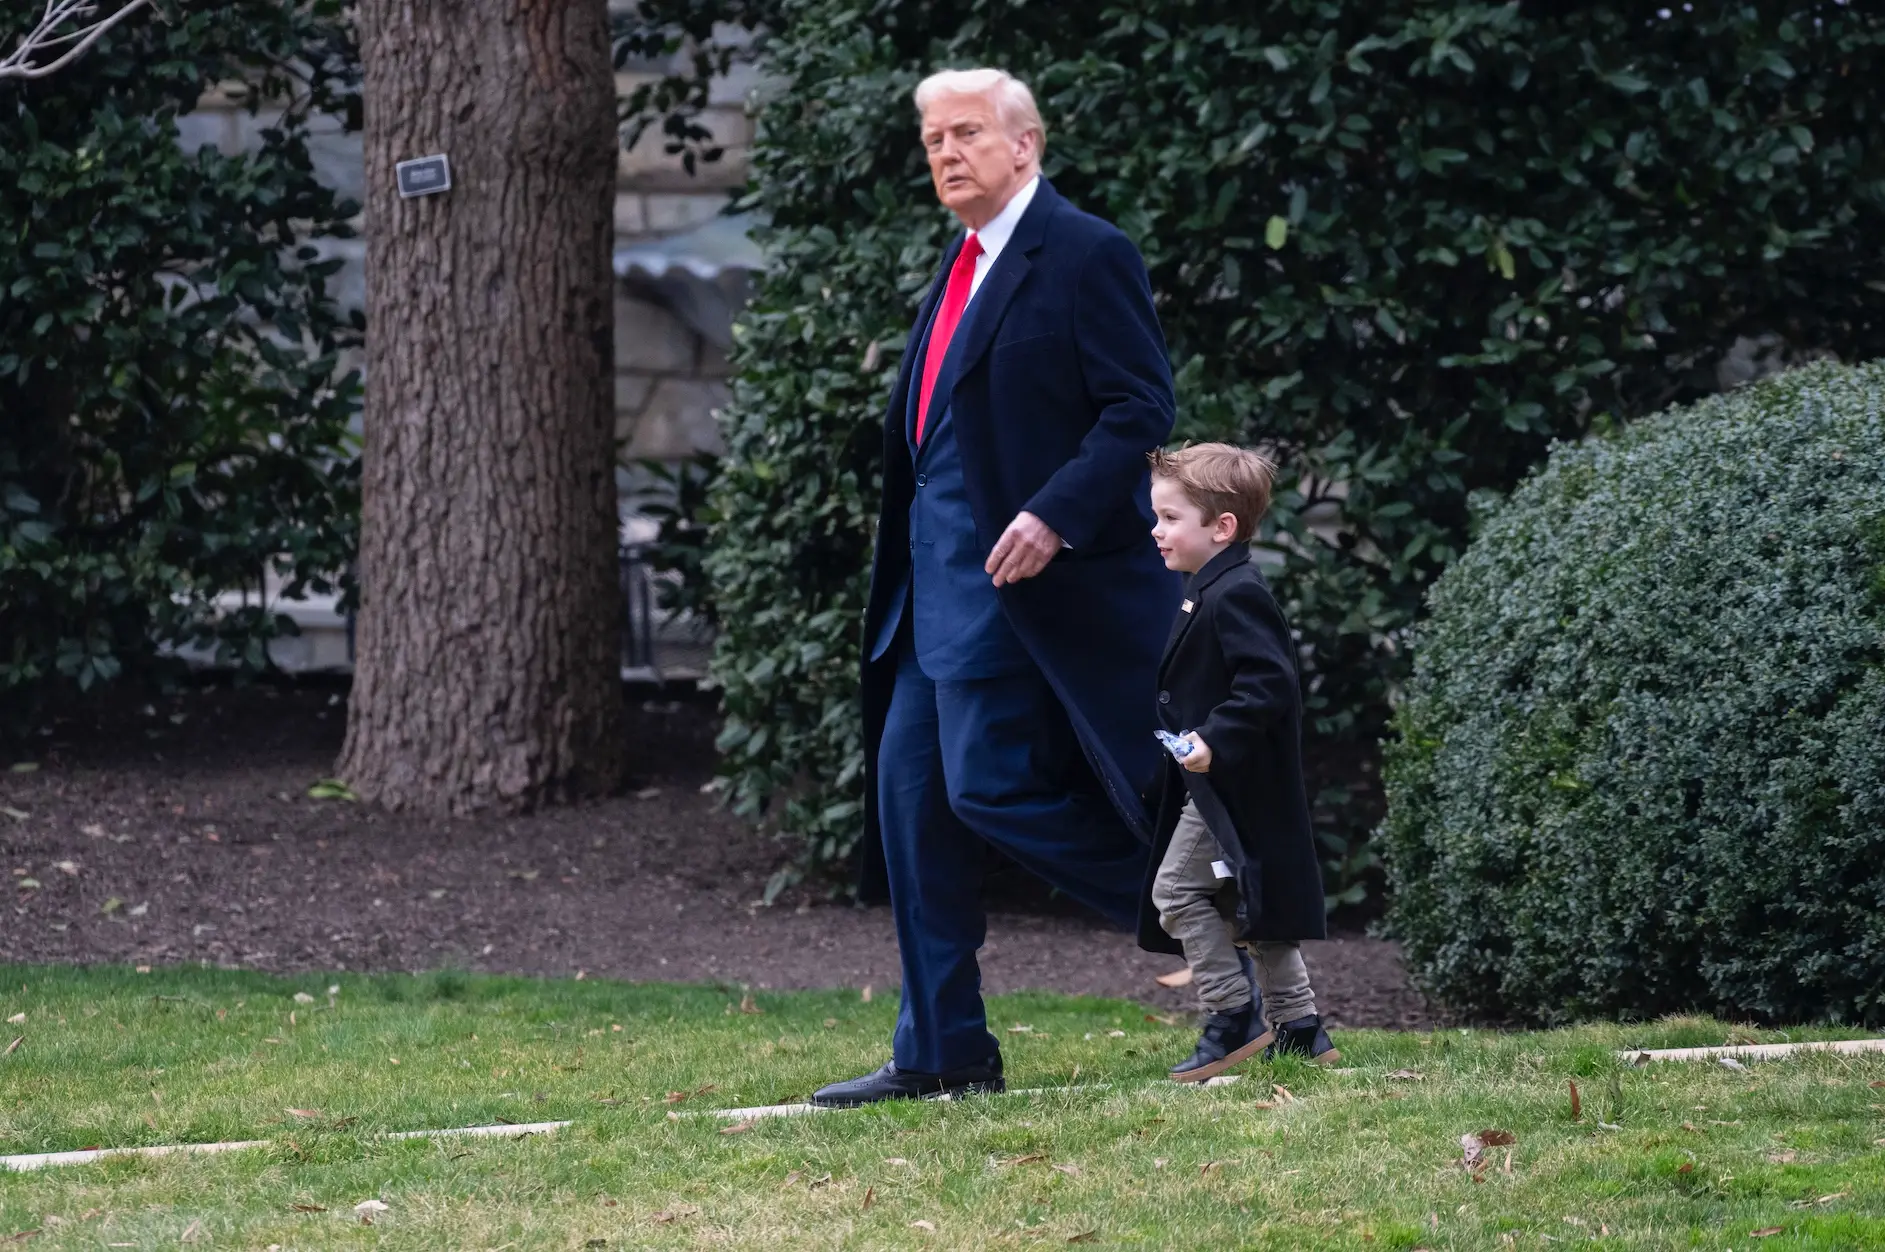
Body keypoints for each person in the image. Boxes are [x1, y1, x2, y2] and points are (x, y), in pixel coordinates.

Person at [810, 67, 1187, 1107]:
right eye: (932, 137)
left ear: (1026, 144)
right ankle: (943, 1050)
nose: (944, 151)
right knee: (911, 818)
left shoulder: (1082, 252)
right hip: (925, 600)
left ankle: (1203, 921)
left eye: (966, 132)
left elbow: (1138, 407)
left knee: (987, 789)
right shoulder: (961, 259)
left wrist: (1054, 512)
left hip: (1015, 594)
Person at [1139, 443, 1338, 1082]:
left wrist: (1214, 739)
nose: (1156, 530)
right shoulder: (1214, 588)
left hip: (1234, 782)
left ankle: (1232, 1014)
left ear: (1221, 527)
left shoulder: (1235, 593)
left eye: (1171, 518)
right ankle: (1301, 1028)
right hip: (1228, 784)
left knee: (1176, 891)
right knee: (1243, 902)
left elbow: (1269, 685)